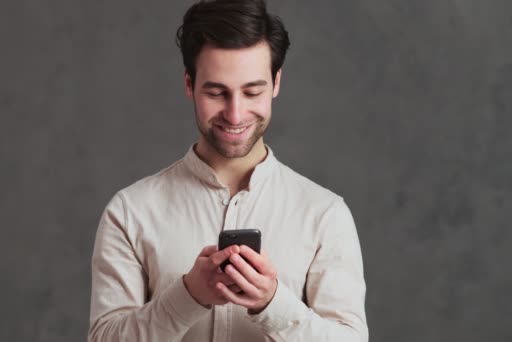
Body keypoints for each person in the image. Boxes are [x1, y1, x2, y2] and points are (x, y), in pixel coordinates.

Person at [88, 0, 368, 341]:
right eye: (217, 92)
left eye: (252, 91)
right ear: (189, 84)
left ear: (276, 82)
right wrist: (188, 295)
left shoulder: (325, 216)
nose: (235, 115)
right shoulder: (129, 213)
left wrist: (272, 304)